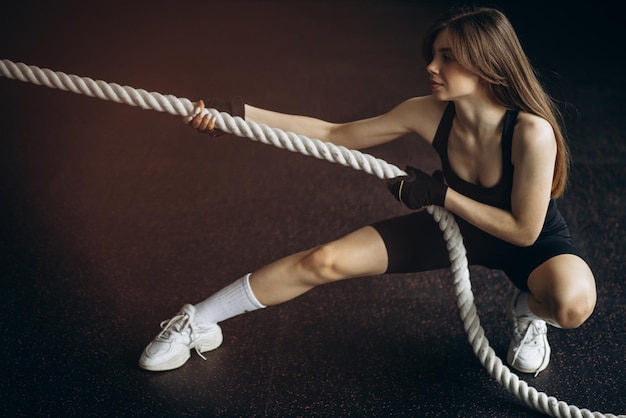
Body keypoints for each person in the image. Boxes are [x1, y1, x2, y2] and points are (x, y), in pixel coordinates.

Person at [139, 6, 596, 376]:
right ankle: (198, 322)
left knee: (573, 303)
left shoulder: (531, 132)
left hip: (531, 244)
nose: (431, 66)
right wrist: (238, 117)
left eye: (447, 57)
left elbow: (522, 230)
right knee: (324, 260)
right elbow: (335, 133)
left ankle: (528, 310)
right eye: (434, 54)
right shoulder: (430, 112)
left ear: (487, 63)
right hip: (454, 227)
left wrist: (441, 197)